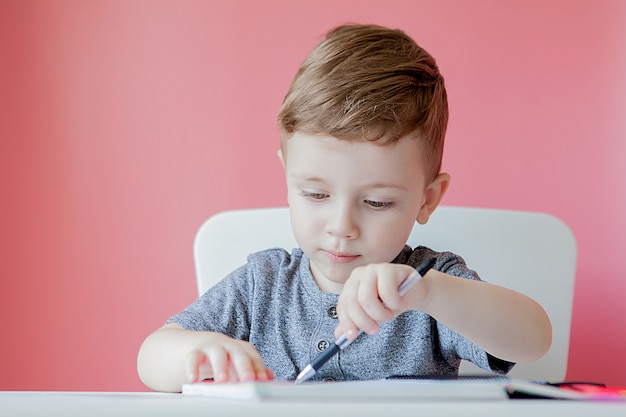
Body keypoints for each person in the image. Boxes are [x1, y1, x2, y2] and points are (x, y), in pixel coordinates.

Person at [137, 24, 552, 393]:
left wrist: (431, 294)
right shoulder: (261, 287)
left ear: (427, 200)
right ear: (288, 180)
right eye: (316, 195)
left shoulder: (430, 287)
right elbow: (151, 356)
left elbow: (534, 339)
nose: (342, 227)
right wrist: (201, 349)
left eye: (377, 202)